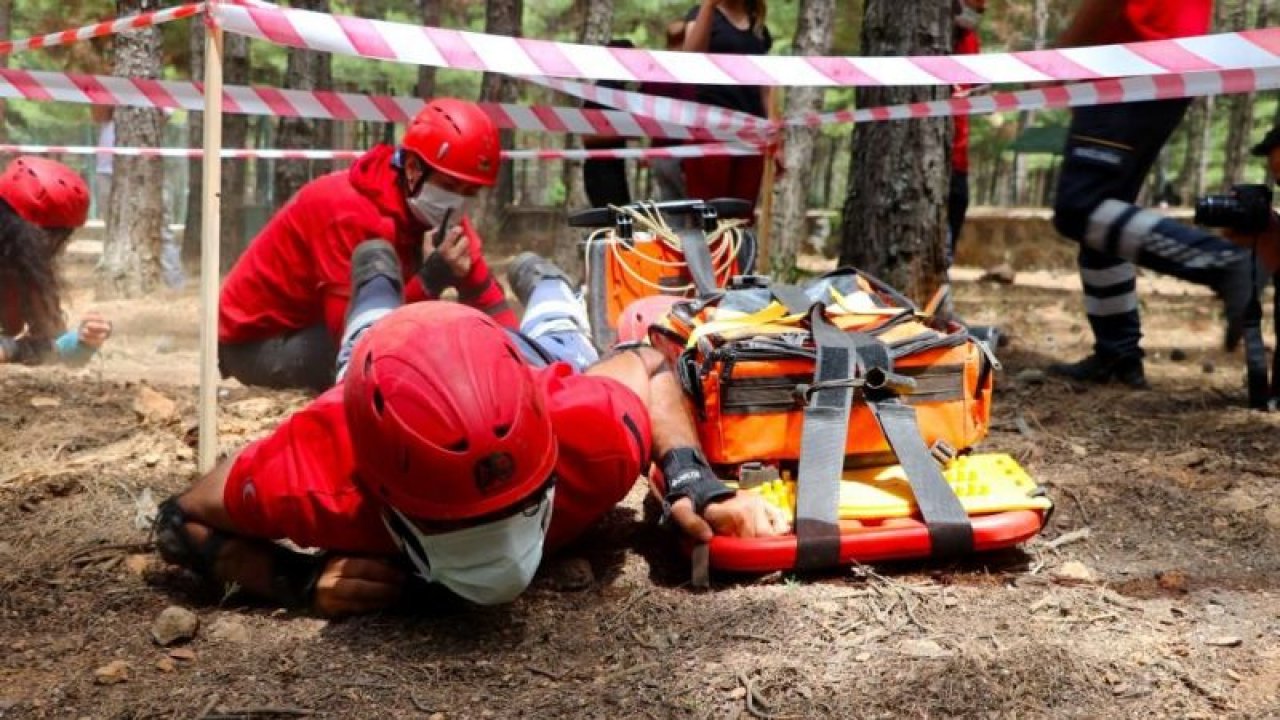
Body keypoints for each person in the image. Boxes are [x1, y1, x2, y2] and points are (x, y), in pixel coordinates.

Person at [154, 244, 789, 616]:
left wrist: (690, 478)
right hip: (380, 374)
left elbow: (651, 363)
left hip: (528, 371)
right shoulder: (320, 471)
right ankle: (378, 271)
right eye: (457, 525)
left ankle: (540, 279)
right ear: (382, 492)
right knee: (365, 336)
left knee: (558, 333)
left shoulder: (588, 436)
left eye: (518, 507)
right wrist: (292, 582)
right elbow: (177, 522)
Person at [218, 98, 514, 392]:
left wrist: (522, 368)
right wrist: (431, 278)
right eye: (450, 187)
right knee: (416, 362)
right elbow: (357, 342)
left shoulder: (444, 211)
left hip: (320, 324)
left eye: (471, 192)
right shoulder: (346, 211)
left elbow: (491, 303)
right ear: (412, 169)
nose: (459, 200)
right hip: (257, 343)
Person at [1045, 0, 1258, 390]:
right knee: (1106, 218)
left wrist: (1061, 57)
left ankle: (1224, 263)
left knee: (1081, 208)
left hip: (1130, 63)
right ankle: (1117, 353)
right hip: (1165, 62)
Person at [0, 156, 112, 366]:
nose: (55, 245)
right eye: (52, 235)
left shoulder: (25, 268)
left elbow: (54, 348)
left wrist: (84, 341)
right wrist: (15, 349)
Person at [681, 0, 772, 213]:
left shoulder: (758, 26)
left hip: (751, 130)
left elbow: (765, 88)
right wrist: (709, 6)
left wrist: (773, 132)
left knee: (741, 213)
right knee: (709, 210)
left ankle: (738, 247)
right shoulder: (701, 14)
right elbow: (689, 58)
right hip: (709, 126)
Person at [641, 21, 698, 202]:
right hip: (685, 153)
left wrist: (649, 149)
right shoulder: (691, 71)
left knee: (673, 211)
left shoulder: (654, 72)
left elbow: (646, 112)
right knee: (697, 211)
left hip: (660, 153)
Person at [948, 0, 985, 260]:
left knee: (957, 206)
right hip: (931, 157)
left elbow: (980, 87)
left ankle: (941, 284)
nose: (974, 15)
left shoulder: (971, 40)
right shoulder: (930, 41)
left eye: (980, 11)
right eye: (971, 7)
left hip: (958, 158)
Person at [581, 39, 636, 209]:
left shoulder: (618, 91)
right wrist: (625, 130)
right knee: (612, 223)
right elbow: (587, 137)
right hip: (601, 171)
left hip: (614, 168)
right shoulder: (602, 91)